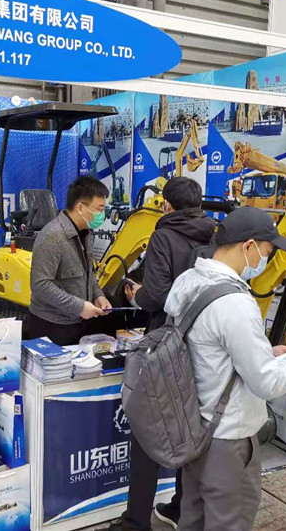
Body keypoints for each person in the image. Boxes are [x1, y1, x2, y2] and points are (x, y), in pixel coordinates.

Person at [163, 206, 286, 531]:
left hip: (193, 425)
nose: (265, 260)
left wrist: (265, 352)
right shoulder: (236, 303)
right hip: (227, 436)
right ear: (248, 246)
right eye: (267, 252)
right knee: (230, 520)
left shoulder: (189, 280)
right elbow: (267, 382)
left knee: (194, 516)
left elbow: (206, 347)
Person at [110, 177, 215, 531]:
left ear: (166, 205)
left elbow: (156, 296)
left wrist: (135, 293)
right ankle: (181, 508)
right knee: (189, 427)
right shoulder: (214, 234)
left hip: (166, 343)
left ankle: (136, 520)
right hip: (202, 341)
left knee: (148, 429)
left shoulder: (163, 235)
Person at [24, 176, 113, 346]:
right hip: (51, 326)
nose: (102, 215)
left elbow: (88, 273)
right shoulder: (52, 236)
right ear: (80, 208)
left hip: (77, 323)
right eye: (99, 209)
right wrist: (80, 307)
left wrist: (98, 295)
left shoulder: (86, 234)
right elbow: (41, 285)